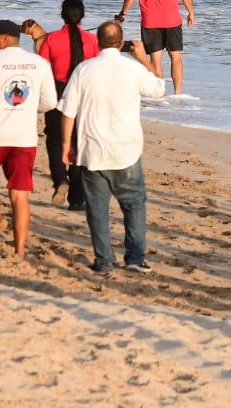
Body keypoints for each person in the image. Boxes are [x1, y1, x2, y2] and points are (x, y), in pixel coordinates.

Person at [58, 20, 166, 275]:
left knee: (97, 210)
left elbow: (68, 111)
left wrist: (66, 145)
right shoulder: (131, 68)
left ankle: (104, 260)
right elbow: (159, 88)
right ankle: (135, 257)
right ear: (120, 43)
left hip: (93, 150)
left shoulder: (84, 69)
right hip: (126, 149)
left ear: (97, 42)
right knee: (134, 204)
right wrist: (144, 58)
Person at [0, 19, 57, 259]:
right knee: (19, 194)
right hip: (24, 136)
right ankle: (20, 250)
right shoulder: (39, 63)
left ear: (5, 39)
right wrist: (27, 108)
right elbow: (50, 102)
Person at [24, 0, 99, 210]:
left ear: (62, 16)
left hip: (56, 91)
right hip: (83, 92)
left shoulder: (51, 40)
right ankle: (77, 198)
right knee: (79, 143)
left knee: (55, 141)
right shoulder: (92, 41)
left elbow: (42, 70)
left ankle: (60, 180)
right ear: (82, 15)